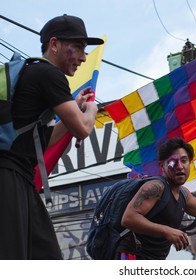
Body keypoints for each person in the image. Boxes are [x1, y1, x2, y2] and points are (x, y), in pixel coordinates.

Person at [0, 14, 104, 259]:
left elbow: (47, 139)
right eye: (77, 47)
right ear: (54, 44)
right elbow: (83, 129)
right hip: (8, 177)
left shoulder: (34, 74)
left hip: (20, 179)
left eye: (85, 49)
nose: (83, 57)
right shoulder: (48, 74)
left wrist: (73, 113)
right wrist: (90, 110)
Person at [115, 137, 196, 260]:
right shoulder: (156, 187)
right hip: (132, 256)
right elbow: (129, 218)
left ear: (189, 163)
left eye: (184, 161)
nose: (179, 166)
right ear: (162, 166)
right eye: (173, 162)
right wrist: (167, 231)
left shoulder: (184, 194)